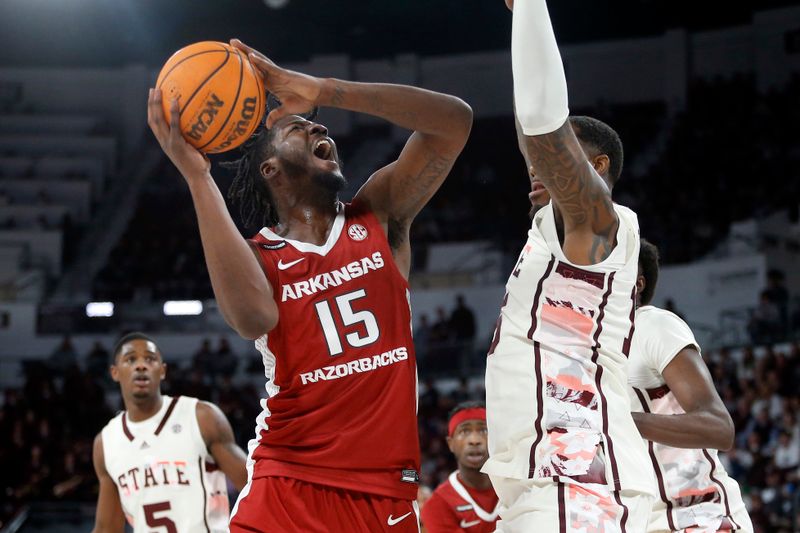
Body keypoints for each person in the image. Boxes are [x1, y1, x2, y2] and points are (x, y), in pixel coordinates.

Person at [147, 38, 472, 532]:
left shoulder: (377, 217)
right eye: (300, 129)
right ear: (270, 169)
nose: (320, 126)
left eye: (316, 123)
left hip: (385, 495)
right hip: (288, 486)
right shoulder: (259, 256)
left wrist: (323, 90)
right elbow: (251, 318)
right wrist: (197, 177)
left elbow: (454, 122)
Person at [483, 1, 656, 530]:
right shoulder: (553, 234)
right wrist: (519, 18)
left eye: (555, 155)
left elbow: (540, 123)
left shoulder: (602, 223)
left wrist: (532, 4)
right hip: (555, 481)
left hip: (575, 483)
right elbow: (528, 127)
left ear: (595, 167)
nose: (534, 164)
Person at [629, 240, 752, 532]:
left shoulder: (653, 325)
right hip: (640, 521)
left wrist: (626, 422)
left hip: (698, 517)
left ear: (637, 283)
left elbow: (720, 428)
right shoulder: (593, 348)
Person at [90, 332, 247, 533]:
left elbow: (253, 488)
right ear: (115, 372)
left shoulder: (201, 417)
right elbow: (107, 528)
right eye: (130, 359)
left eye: (150, 359)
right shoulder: (106, 442)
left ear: (162, 371)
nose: (141, 366)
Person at [421, 402, 499, 532]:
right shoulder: (437, 504)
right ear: (450, 444)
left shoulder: (517, 489)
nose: (474, 440)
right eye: (464, 431)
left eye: (484, 430)